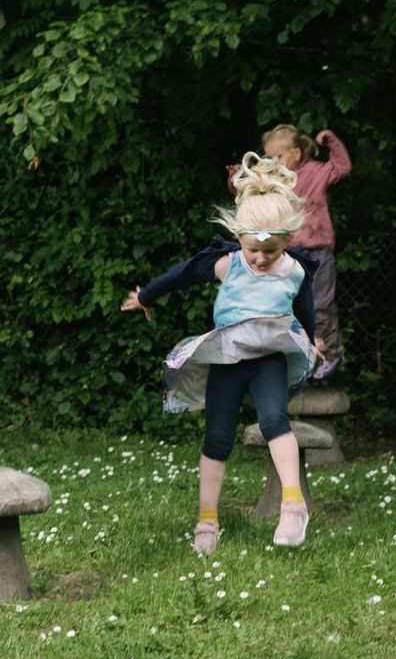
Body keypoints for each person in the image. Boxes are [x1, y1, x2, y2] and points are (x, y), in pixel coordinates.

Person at [122, 153, 321, 553]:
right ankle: (207, 521)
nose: (261, 259)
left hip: (268, 360)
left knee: (274, 420)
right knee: (217, 437)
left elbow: (306, 312)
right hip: (228, 361)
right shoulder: (228, 264)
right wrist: (146, 296)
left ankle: (293, 504)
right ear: (240, 238)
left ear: (287, 241)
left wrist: (311, 341)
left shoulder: (295, 270)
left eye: (271, 251)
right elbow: (181, 274)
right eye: (253, 250)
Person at [231, 125, 352, 379]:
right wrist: (236, 181)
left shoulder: (316, 172)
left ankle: (331, 353)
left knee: (321, 305)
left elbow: (342, 168)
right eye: (269, 157)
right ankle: (295, 358)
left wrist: (331, 140)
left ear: (296, 153)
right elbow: (250, 195)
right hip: (288, 254)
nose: (273, 162)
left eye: (278, 156)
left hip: (318, 252)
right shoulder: (274, 181)